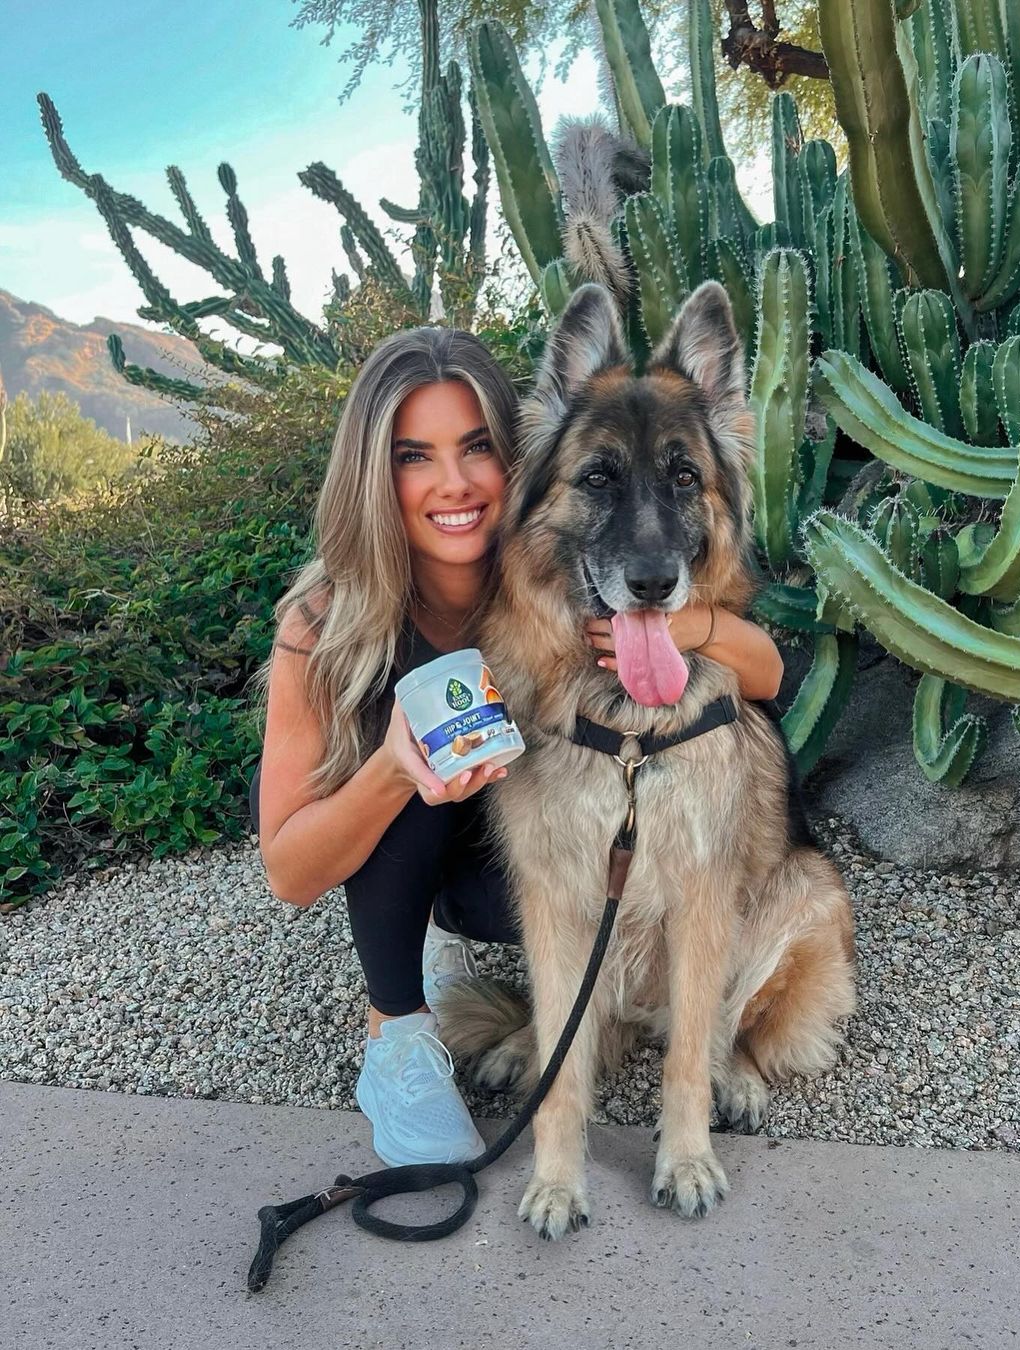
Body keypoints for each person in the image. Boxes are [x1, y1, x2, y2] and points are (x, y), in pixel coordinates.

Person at [248, 325, 786, 1169]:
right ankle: (397, 1033)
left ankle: (585, 1011)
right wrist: (391, 767)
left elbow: (764, 675)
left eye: (475, 448)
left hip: (555, 856)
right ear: (373, 475)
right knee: (417, 763)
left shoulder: (556, 570)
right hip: (451, 855)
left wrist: (698, 626)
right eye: (413, 457)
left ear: (517, 455)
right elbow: (288, 872)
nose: (454, 483)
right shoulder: (327, 623)